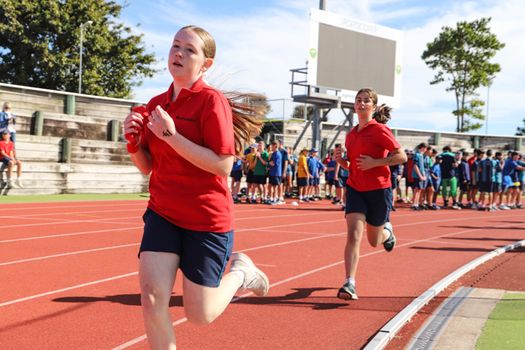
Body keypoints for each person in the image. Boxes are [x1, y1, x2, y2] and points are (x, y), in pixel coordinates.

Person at [122, 25, 269, 350]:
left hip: (206, 220)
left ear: (206, 64)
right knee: (151, 299)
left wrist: (171, 136)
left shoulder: (211, 102)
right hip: (162, 214)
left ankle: (242, 273)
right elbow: (148, 167)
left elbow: (222, 164)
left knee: (200, 314)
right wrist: (134, 144)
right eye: (175, 45)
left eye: (189, 50)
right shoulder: (156, 103)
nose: (178, 53)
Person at [334, 87, 407, 300]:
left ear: (373, 106)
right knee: (353, 235)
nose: (362, 103)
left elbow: (401, 157)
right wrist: (342, 163)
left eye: (366, 100)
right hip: (355, 188)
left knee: (374, 240)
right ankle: (350, 283)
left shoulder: (380, 130)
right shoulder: (351, 134)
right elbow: (355, 166)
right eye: (358, 100)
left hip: (378, 190)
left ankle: (388, 233)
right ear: (354, 105)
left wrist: (377, 162)